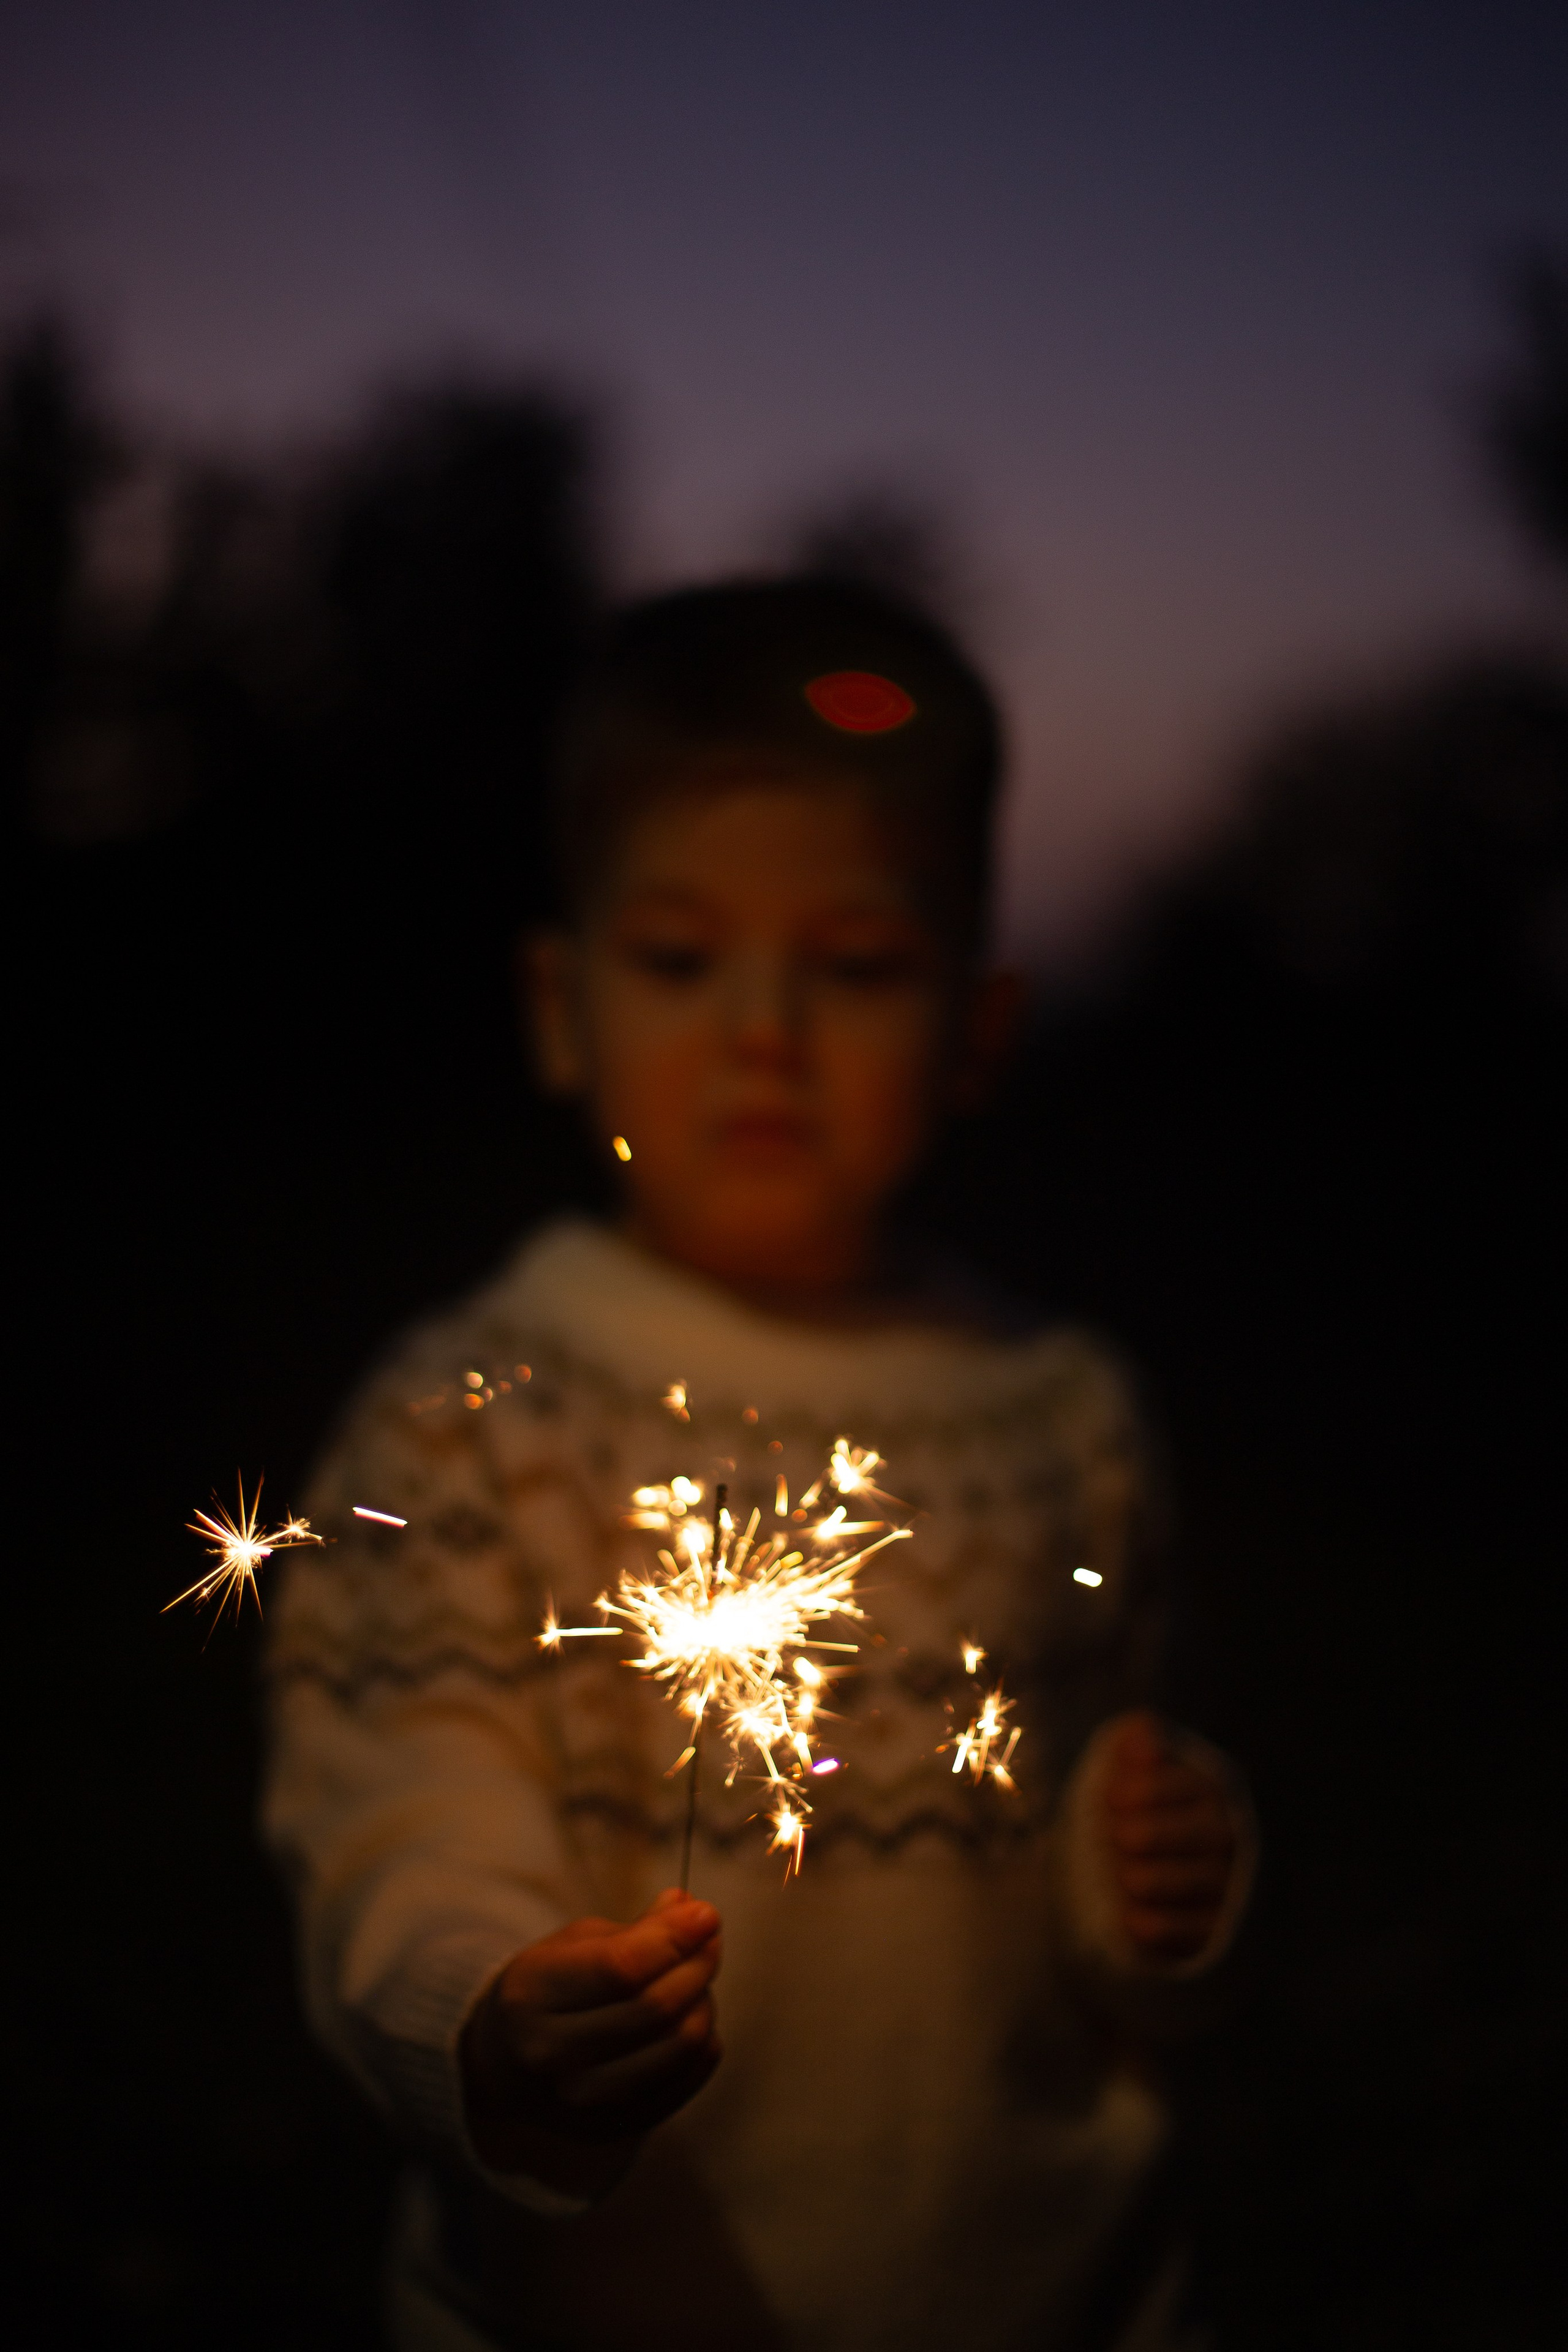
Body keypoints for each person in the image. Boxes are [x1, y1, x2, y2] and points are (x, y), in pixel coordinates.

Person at [262, 578, 1254, 2352]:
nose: (764, 1030)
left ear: (977, 1029)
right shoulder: (474, 1424)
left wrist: (1156, 1897)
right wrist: (487, 2014)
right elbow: (404, 1815)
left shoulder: (1065, 1414)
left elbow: (1111, 1801)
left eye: (858, 967)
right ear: (561, 1007)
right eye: (678, 956)